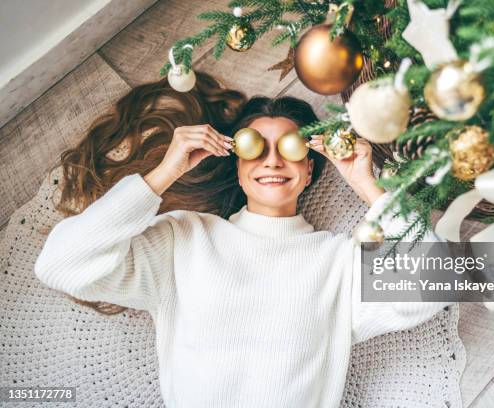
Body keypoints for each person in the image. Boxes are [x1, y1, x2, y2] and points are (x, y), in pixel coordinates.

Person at [35, 72, 448, 407]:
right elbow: (60, 265)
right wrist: (163, 174)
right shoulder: (186, 237)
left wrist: (367, 186)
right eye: (256, 149)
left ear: (309, 171)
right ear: (237, 168)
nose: (272, 160)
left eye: (289, 148)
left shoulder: (337, 261)